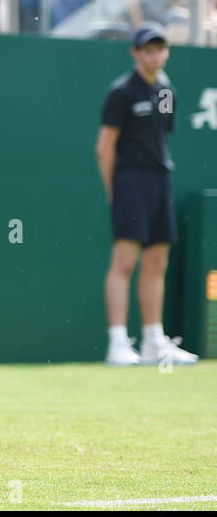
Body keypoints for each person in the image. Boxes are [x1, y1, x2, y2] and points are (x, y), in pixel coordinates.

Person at [96, 24, 198, 367]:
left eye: (160, 49)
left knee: (157, 262)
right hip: (130, 181)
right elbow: (104, 148)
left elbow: (162, 138)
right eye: (148, 49)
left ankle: (154, 341)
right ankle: (118, 343)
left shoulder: (167, 91)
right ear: (135, 53)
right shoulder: (121, 92)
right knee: (125, 261)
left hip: (160, 181)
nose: (155, 55)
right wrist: (115, 190)